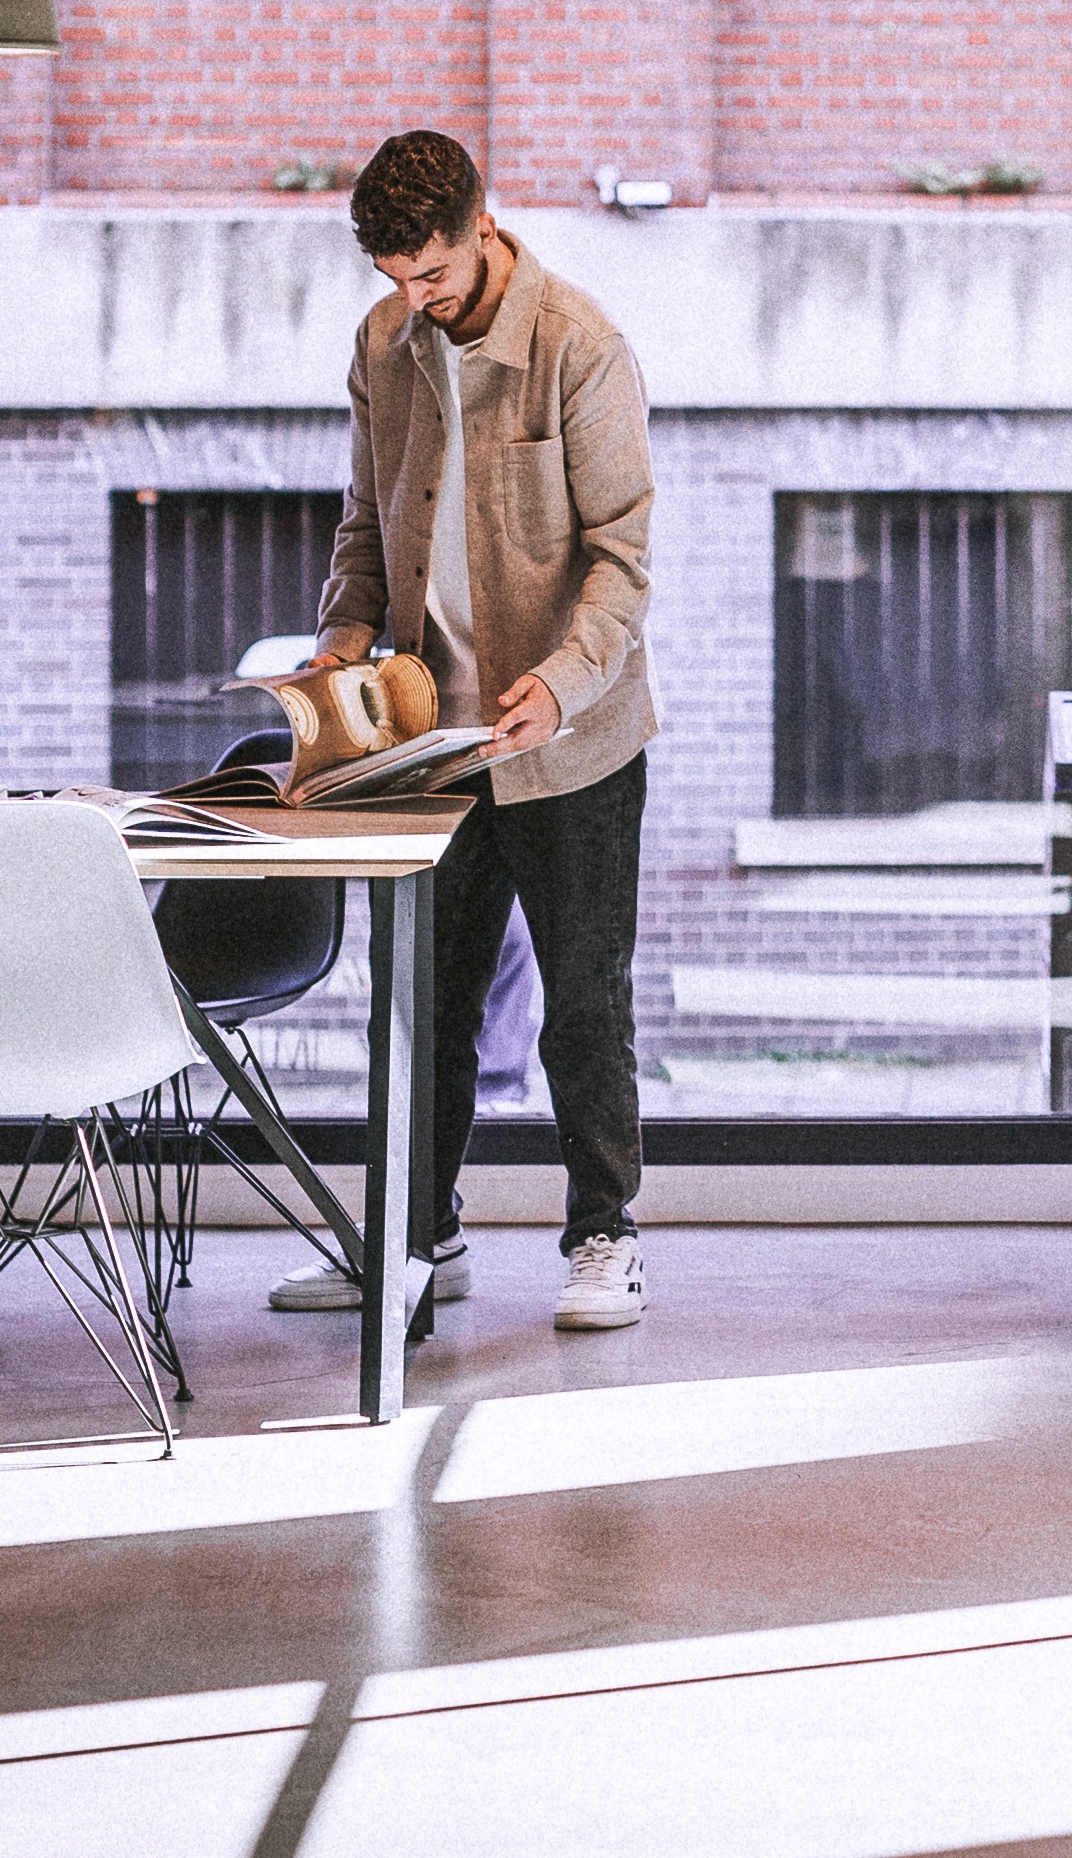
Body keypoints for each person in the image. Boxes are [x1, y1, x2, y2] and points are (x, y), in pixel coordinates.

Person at [269, 129, 658, 1332]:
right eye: (392, 281)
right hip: (430, 742)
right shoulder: (384, 347)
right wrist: (343, 633)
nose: (413, 302)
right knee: (423, 1004)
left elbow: (622, 555)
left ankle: (605, 1236)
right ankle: (413, 1240)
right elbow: (363, 519)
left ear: (482, 232)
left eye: (430, 278)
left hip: (568, 736)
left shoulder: (579, 347)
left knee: (581, 1001)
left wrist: (559, 678)